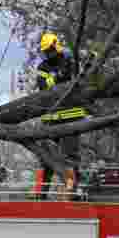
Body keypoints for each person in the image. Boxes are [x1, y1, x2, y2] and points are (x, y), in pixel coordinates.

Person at [32, 31, 88, 197]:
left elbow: (82, 80)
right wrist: (58, 77)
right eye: (45, 51)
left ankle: (72, 191)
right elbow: (44, 88)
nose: (48, 54)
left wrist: (76, 64)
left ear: (56, 46)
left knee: (70, 157)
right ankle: (40, 192)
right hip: (50, 118)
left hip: (71, 116)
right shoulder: (43, 67)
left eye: (50, 50)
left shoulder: (72, 60)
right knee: (46, 157)